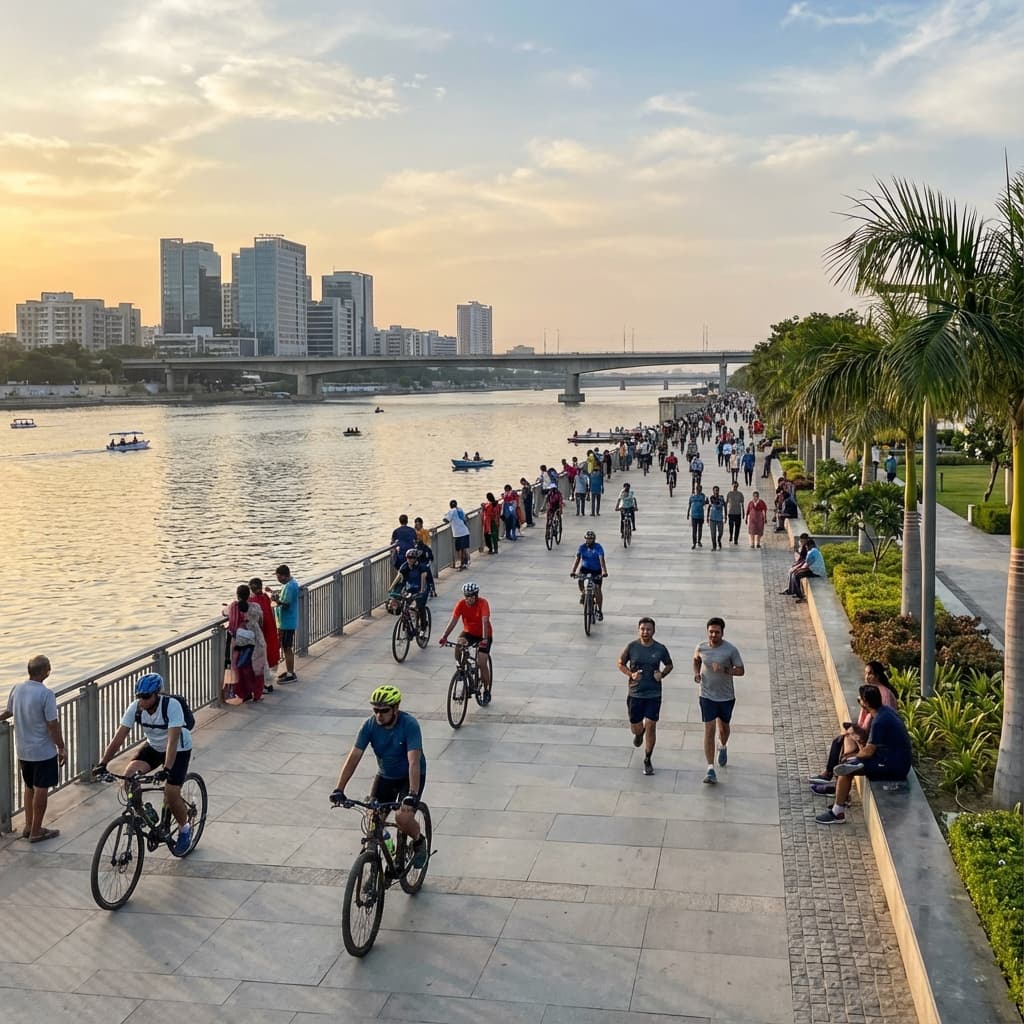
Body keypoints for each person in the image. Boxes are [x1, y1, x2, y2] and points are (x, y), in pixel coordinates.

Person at [93, 673, 195, 855]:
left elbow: (172, 742)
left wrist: (166, 770)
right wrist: (103, 763)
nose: (142, 701)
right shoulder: (136, 708)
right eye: (139, 696)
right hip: (154, 747)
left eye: (146, 697)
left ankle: (185, 828)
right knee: (130, 776)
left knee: (171, 792)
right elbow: (118, 738)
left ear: (157, 695)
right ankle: (143, 815)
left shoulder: (172, 706)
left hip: (178, 749)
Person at [330, 685, 428, 868]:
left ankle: (418, 841)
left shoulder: (410, 725)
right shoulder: (369, 726)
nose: (379, 715)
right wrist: (339, 788)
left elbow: (413, 761)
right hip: (386, 776)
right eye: (375, 710)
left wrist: (412, 794)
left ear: (396, 709)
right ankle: (376, 868)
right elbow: (354, 757)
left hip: (410, 776)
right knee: (373, 822)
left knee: (403, 818)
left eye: (384, 711)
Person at [816, 683, 912, 825]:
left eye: (859, 699)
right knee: (848, 766)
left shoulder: (879, 721)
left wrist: (854, 758)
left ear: (865, 703)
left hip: (892, 766)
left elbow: (869, 751)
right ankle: (840, 798)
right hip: (893, 759)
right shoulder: (885, 712)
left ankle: (838, 812)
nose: (858, 701)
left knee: (846, 770)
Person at [1, 654, 67, 842]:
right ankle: (37, 831)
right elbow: (52, 724)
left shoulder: (18, 688)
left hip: (23, 750)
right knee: (41, 789)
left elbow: (8, 712)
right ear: (45, 672)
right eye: (49, 668)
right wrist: (61, 747)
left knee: (29, 787)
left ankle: (29, 826)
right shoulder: (46, 694)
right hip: (43, 751)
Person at [811, 663, 899, 791]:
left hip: (880, 750)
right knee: (840, 740)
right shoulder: (872, 692)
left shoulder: (882, 703)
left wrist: (856, 753)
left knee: (847, 757)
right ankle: (830, 777)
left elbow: (872, 737)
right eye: (866, 673)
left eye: (870, 673)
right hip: (869, 737)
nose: (867, 677)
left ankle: (837, 789)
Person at [617, 618, 673, 776]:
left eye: (648, 629)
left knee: (651, 724)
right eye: (642, 629)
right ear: (638, 630)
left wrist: (661, 674)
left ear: (653, 631)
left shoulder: (660, 648)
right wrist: (631, 674)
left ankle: (648, 758)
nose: (645, 632)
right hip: (635, 693)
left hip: (654, 693)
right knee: (637, 726)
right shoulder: (632, 647)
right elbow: (620, 663)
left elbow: (669, 664)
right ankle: (638, 733)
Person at [693, 617, 745, 784]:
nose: (713, 635)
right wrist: (696, 673)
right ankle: (710, 768)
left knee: (723, 728)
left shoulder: (730, 650)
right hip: (706, 694)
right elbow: (696, 659)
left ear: (722, 633)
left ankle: (722, 746)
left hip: (725, 696)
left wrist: (725, 669)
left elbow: (741, 670)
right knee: (709, 729)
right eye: (711, 632)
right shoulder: (701, 647)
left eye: (717, 632)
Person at [438, 581, 494, 702]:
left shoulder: (483, 603)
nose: (469, 599)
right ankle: (460, 668)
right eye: (467, 596)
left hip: (484, 635)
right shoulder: (461, 604)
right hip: (469, 632)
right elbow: (453, 621)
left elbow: (485, 621)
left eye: (472, 596)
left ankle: (486, 690)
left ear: (476, 596)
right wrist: (444, 636)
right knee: (459, 644)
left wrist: (484, 640)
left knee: (482, 662)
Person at [227, 583, 267, 702]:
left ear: (237, 595)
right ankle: (257, 694)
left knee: (241, 668)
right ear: (249, 594)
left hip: (240, 642)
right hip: (256, 640)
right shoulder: (255, 607)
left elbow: (225, 613)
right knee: (257, 668)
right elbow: (261, 621)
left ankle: (244, 693)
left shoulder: (233, 607)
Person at [248, 577, 279, 691]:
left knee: (261, 658)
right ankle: (267, 682)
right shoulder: (265, 597)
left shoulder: (252, 601)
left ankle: (265, 684)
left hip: (261, 631)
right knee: (269, 655)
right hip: (270, 628)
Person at [390, 548, 431, 633]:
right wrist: (391, 589)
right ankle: (407, 625)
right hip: (410, 589)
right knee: (405, 606)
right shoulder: (404, 566)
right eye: (408, 557)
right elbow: (399, 578)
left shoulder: (421, 566)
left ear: (416, 558)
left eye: (412, 558)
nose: (410, 559)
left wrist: (422, 590)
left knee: (420, 606)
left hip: (422, 589)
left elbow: (423, 578)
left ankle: (423, 627)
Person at [570, 529, 608, 621]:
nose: (589, 540)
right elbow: (578, 559)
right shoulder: (582, 547)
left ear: (594, 539)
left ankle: (599, 610)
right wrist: (573, 571)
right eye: (587, 539)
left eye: (591, 539)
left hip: (596, 569)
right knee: (580, 580)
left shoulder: (598, 547)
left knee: (597, 589)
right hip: (585, 568)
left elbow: (601, 559)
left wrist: (604, 571)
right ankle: (583, 593)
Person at [272, 564, 299, 684]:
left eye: (279, 577)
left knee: (287, 648)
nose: (278, 579)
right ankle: (289, 671)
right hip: (286, 622)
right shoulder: (290, 584)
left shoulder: (290, 587)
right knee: (286, 647)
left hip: (287, 622)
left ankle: (290, 674)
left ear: (284, 576)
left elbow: (286, 604)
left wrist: (275, 600)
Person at [444, 499, 471, 571]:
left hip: (458, 534)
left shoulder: (451, 511)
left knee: (459, 549)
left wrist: (446, 516)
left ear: (450, 506)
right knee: (464, 548)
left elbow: (446, 520)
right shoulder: (460, 509)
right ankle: (466, 562)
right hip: (465, 531)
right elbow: (465, 519)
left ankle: (463, 563)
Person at [687, 484, 708, 549]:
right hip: (694, 515)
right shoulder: (692, 496)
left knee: (700, 529)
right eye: (698, 489)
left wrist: (706, 502)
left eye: (700, 489)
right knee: (694, 530)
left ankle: (699, 541)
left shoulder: (703, 496)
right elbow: (690, 505)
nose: (699, 490)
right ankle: (694, 543)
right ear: (696, 489)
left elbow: (704, 503)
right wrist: (688, 513)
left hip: (700, 515)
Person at [707, 485, 726, 551]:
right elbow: (709, 507)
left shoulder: (721, 498)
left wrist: (725, 516)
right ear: (713, 491)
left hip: (720, 518)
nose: (716, 492)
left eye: (717, 490)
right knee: (713, 534)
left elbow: (724, 506)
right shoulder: (711, 498)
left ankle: (719, 539)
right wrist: (707, 517)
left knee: (721, 532)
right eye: (715, 490)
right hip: (712, 518)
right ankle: (714, 546)